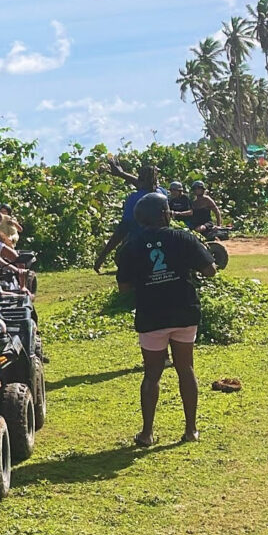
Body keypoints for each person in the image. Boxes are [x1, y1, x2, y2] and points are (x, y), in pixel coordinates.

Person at [115, 193, 216, 446]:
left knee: (152, 375)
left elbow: (124, 287)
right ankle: (191, 430)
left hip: (151, 315)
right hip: (184, 311)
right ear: (163, 214)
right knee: (186, 369)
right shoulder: (183, 237)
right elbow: (210, 270)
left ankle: (147, 433)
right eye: (168, 209)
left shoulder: (131, 245)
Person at [93, 165, 168, 273]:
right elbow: (144, 184)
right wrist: (122, 173)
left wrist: (102, 256)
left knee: (120, 256)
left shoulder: (134, 198)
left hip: (140, 246)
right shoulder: (162, 193)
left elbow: (123, 228)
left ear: (140, 179)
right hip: (163, 244)